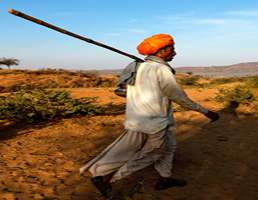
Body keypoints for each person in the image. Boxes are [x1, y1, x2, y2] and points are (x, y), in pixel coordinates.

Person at [79, 33, 219, 199]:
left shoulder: (138, 68)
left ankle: (164, 179)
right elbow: (179, 97)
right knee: (154, 153)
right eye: (171, 50)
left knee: (169, 147)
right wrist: (206, 112)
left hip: (138, 119)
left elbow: (123, 91)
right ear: (159, 52)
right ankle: (107, 178)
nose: (174, 53)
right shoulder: (161, 69)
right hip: (154, 122)